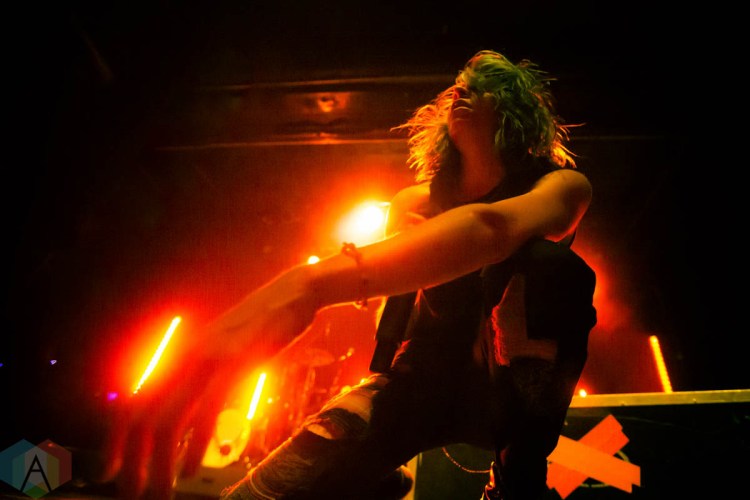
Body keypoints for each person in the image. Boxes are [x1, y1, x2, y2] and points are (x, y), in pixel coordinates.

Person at [102, 49, 597, 500]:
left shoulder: (561, 185)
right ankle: (369, 472)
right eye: (457, 84)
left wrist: (307, 286)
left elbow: (493, 228)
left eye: (481, 85)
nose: (460, 91)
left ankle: (517, 475)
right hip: (418, 380)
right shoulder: (415, 202)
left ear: (513, 107)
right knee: (270, 490)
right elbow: (393, 316)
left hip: (506, 390)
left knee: (553, 267)